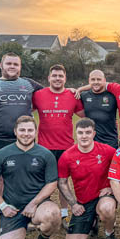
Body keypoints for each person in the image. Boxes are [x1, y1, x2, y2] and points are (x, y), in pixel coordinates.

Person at [0, 53, 44, 239]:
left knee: (25, 180)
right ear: (1, 65)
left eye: (16, 64)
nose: (12, 66)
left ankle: (26, 218)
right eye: (9, 63)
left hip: (23, 140)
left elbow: (51, 94)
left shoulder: (29, 84)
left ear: (20, 67)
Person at [0, 116, 60, 239]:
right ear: (15, 132)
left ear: (36, 132)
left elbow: (52, 183)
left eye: (30, 130)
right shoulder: (2, 154)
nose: (26, 133)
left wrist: (33, 203)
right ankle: (22, 227)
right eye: (22, 130)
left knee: (53, 214)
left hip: (38, 207)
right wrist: (3, 206)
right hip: (12, 209)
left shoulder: (45, 154)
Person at [32, 64, 84, 227]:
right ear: (48, 78)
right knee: (41, 182)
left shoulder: (72, 95)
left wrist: (79, 90)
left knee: (63, 182)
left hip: (66, 148)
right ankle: (40, 213)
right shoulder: (38, 95)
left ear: (65, 78)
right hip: (44, 148)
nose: (57, 78)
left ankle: (63, 215)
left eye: (60, 76)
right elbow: (25, 112)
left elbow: (85, 116)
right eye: (54, 75)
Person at [57, 118, 118, 239]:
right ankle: (93, 221)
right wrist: (73, 204)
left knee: (107, 208)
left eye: (88, 132)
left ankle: (109, 234)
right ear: (76, 134)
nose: (84, 136)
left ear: (94, 133)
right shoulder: (67, 156)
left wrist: (111, 188)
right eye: (80, 133)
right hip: (84, 202)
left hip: (104, 196)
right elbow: (62, 182)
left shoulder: (107, 151)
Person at [79, 70, 118, 149]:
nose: (96, 82)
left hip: (110, 143)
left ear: (105, 81)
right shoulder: (83, 96)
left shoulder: (113, 95)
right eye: (93, 79)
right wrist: (77, 90)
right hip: (91, 144)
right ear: (89, 81)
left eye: (99, 79)